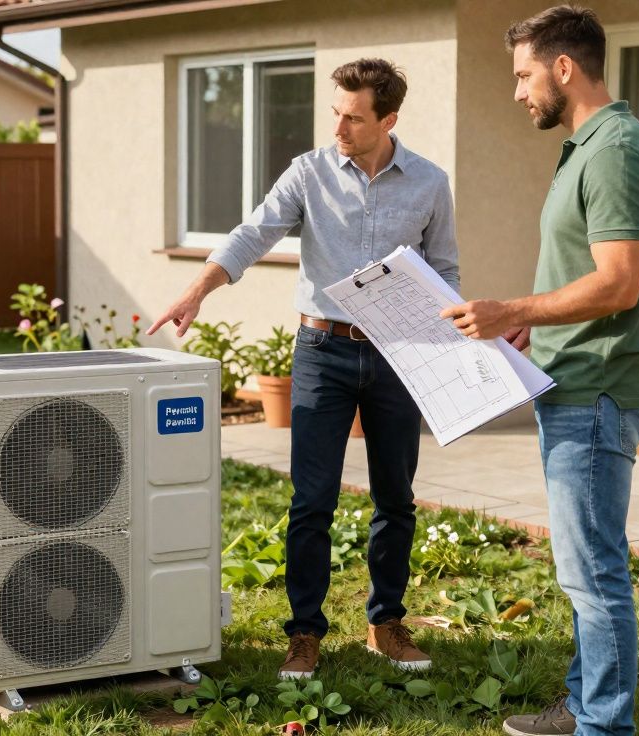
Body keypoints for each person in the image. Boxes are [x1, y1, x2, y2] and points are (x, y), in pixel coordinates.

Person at [147, 58, 459, 680]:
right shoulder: (309, 172)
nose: (338, 127)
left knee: (396, 498)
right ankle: (304, 632)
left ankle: (386, 623)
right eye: (334, 113)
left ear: (389, 119)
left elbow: (444, 270)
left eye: (353, 117)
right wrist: (198, 289)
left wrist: (451, 338)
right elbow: (252, 234)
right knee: (311, 501)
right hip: (323, 353)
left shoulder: (429, 182)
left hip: (398, 355)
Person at [439, 6, 639, 735]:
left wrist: (517, 306)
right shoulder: (586, 147)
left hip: (598, 392)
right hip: (571, 385)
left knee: (594, 571)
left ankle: (603, 726)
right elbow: (587, 277)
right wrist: (525, 323)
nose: (517, 92)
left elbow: (619, 282)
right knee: (584, 566)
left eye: (523, 74)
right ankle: (582, 708)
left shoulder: (615, 152)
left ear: (564, 67)